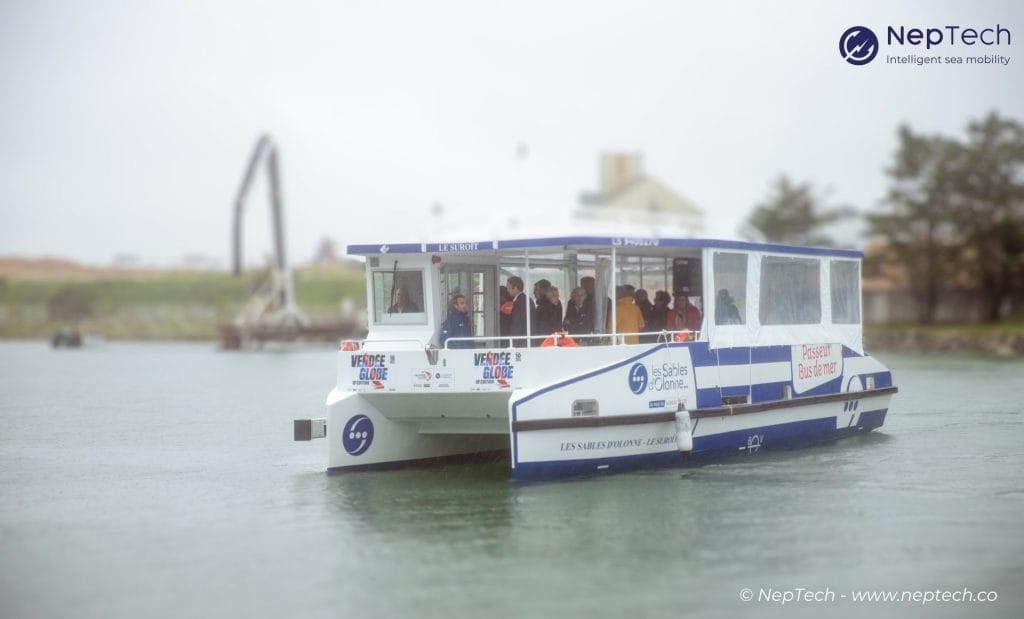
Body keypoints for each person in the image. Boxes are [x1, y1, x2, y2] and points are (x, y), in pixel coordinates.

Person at [506, 276, 528, 347]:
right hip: (524, 341)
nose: (507, 290)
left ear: (515, 288)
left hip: (521, 343)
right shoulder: (525, 300)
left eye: (508, 287)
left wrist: (514, 344)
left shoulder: (520, 302)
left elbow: (517, 325)